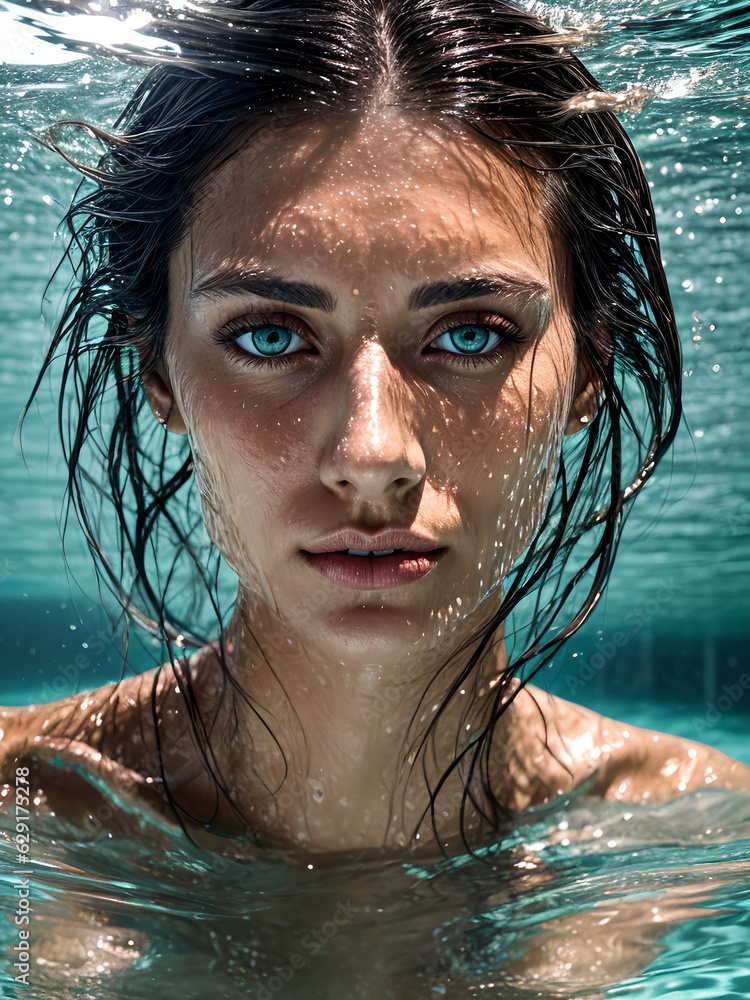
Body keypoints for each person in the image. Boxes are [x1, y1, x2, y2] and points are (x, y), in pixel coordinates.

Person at [1, 0, 749, 865]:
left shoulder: (693, 840)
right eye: (269, 336)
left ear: (589, 370)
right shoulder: (26, 810)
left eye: (473, 334)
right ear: (159, 373)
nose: (373, 454)